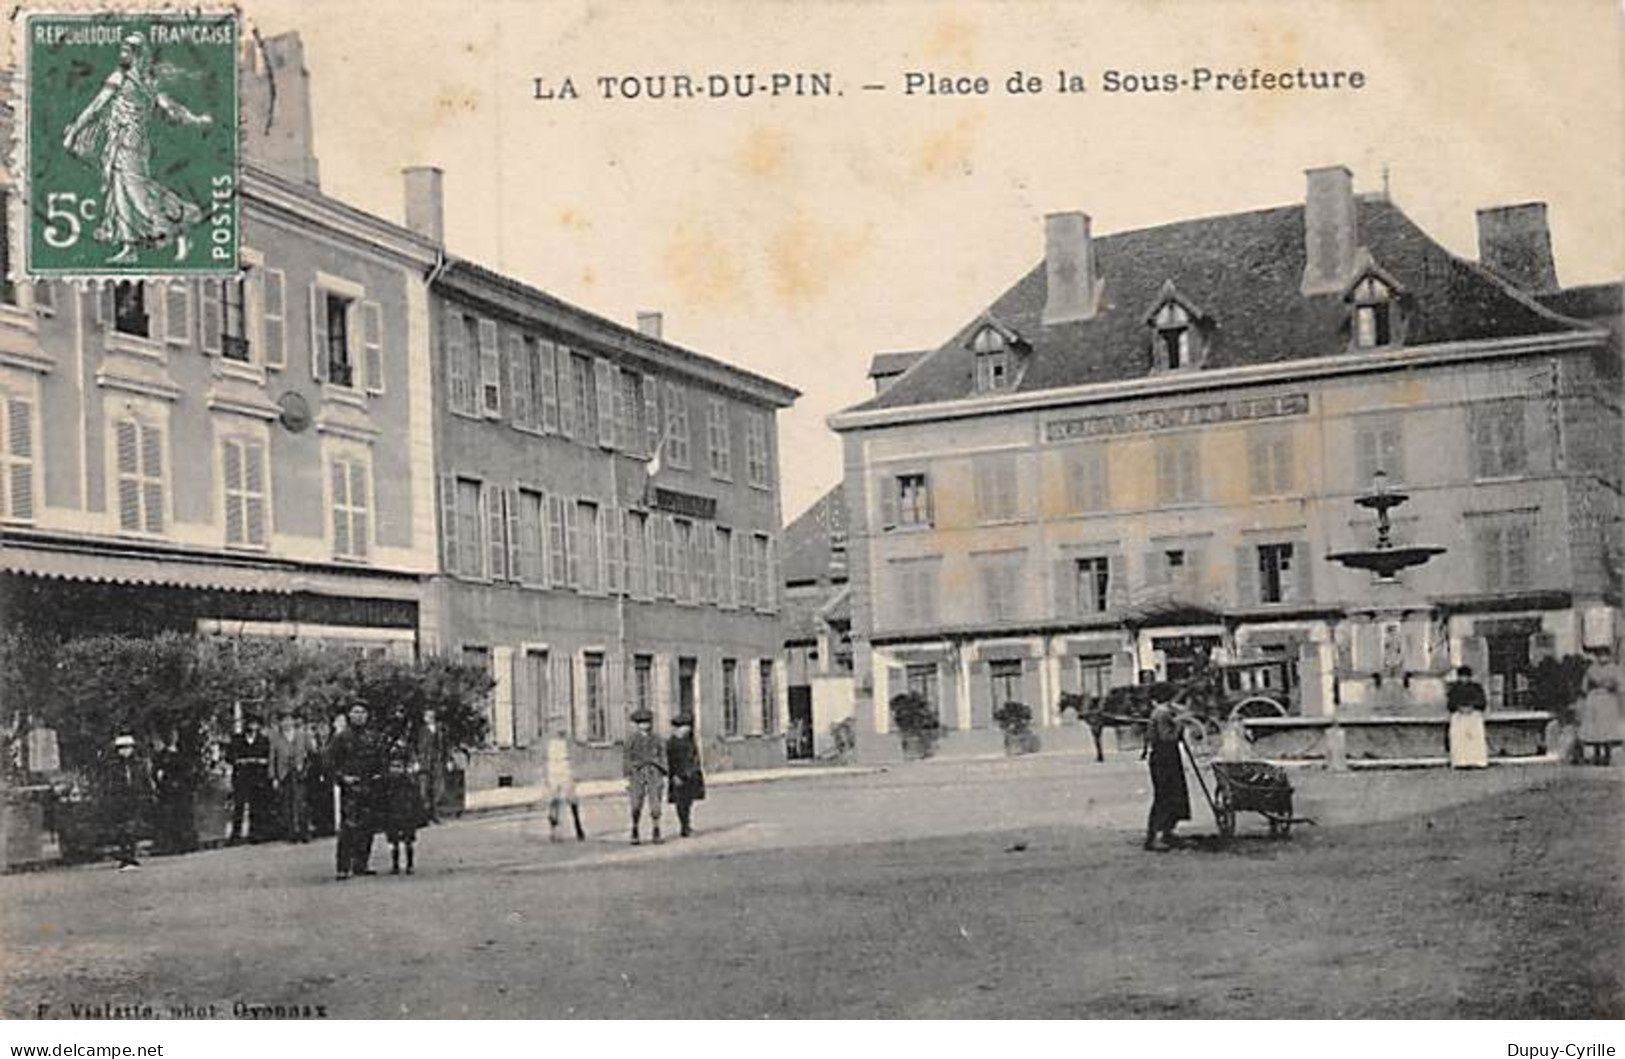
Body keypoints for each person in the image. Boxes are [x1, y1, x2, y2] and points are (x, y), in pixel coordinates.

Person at [60, 31, 212, 264]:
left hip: (129, 142)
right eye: (121, 50)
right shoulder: (145, 83)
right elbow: (172, 109)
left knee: (135, 191)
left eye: (126, 51)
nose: (122, 54)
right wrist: (196, 120)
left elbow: (96, 107)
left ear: (137, 55)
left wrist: (73, 131)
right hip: (122, 142)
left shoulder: (127, 80)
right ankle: (129, 248)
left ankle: (176, 222)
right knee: (120, 192)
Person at [328, 704, 384, 880]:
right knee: (348, 827)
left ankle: (361, 863)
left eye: (363, 712)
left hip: (369, 786)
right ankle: (343, 867)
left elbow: (380, 760)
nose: (359, 716)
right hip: (351, 788)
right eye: (356, 712)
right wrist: (343, 778)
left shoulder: (372, 737)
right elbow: (330, 762)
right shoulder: (341, 737)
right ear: (349, 715)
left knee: (367, 827)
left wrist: (378, 776)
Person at [1143, 700, 1194, 851]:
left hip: (1169, 757)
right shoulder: (1163, 713)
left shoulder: (1163, 711)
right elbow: (1167, 737)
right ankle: (1153, 837)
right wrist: (1180, 723)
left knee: (1174, 794)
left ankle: (1167, 832)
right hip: (1163, 757)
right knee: (1164, 796)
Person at [102, 734, 152, 870]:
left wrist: (147, 795)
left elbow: (144, 780)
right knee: (123, 828)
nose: (125, 751)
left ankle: (131, 854)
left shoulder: (138, 764)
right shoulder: (113, 767)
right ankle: (126, 855)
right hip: (120, 800)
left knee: (133, 827)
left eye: (128, 748)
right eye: (122, 748)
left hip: (135, 798)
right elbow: (108, 784)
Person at [381, 736, 425, 875]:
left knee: (408, 838)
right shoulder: (387, 783)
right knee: (392, 839)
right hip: (392, 812)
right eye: (393, 767)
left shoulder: (409, 783)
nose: (395, 770)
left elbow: (416, 798)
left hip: (406, 811)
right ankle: (395, 864)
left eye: (398, 767)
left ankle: (410, 864)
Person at [623, 708, 667, 845]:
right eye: (641, 723)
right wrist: (628, 774)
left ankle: (656, 829)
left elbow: (663, 755)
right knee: (636, 803)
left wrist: (663, 771)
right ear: (637, 725)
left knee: (655, 804)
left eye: (647, 722)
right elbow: (626, 758)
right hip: (637, 773)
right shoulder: (631, 740)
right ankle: (635, 829)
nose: (645, 725)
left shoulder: (657, 739)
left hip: (654, 771)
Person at [150, 729, 197, 855]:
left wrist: (185, 783)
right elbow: (156, 773)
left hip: (182, 791)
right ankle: (171, 845)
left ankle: (186, 843)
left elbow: (189, 772)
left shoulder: (183, 754)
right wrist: (163, 780)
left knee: (183, 816)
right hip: (168, 791)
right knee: (169, 818)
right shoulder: (161, 756)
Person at [226, 715, 272, 843]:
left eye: (255, 724)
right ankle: (236, 835)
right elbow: (230, 757)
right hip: (241, 777)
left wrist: (259, 762)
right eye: (250, 724)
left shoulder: (263, 740)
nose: (253, 727)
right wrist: (241, 761)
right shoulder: (237, 740)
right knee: (239, 806)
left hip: (257, 778)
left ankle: (255, 833)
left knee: (256, 806)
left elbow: (267, 757)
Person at [270, 711, 314, 843]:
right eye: (284, 721)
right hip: (284, 773)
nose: (287, 723)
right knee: (287, 804)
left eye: (289, 720)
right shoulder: (276, 738)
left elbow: (312, 753)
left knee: (301, 802)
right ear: (280, 723)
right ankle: (291, 833)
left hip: (300, 772)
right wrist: (274, 777)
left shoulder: (303, 735)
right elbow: (272, 758)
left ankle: (304, 831)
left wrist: (306, 767)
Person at [1579, 648, 1624, 766]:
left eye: (1604, 655)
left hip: (1609, 700)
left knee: (1607, 728)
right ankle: (1597, 753)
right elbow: (1584, 686)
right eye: (1599, 655)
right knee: (1595, 728)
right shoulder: (1592, 669)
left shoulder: (1615, 668)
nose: (1602, 658)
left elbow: (1621, 684)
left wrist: (1613, 687)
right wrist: (1591, 687)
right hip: (1595, 700)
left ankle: (1607, 754)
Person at [666, 714, 705, 838]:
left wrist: (696, 771)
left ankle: (686, 825)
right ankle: (684, 826)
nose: (687, 729)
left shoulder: (690, 741)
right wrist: (674, 776)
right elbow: (670, 761)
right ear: (677, 728)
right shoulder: (672, 743)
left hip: (690, 775)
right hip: (678, 776)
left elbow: (694, 758)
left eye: (687, 726)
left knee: (688, 802)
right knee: (680, 802)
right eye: (684, 727)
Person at [544, 729, 585, 843]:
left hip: (557, 771)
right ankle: (558, 830)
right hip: (558, 771)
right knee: (560, 801)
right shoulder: (554, 743)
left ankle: (575, 828)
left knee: (564, 800)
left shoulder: (560, 743)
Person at [1447, 665, 1490, 769]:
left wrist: (1472, 707)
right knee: (1459, 738)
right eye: (1461, 677)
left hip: (1474, 716)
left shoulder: (1476, 688)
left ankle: (1477, 761)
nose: (1464, 679)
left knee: (1474, 738)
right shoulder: (1454, 689)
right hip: (1459, 716)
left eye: (1466, 676)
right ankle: (1460, 762)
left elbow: (1482, 702)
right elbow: (1450, 704)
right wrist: (1459, 708)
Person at [415, 709, 446, 824]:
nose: (427, 718)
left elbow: (445, 746)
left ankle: (435, 814)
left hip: (437, 762)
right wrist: (416, 761)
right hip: (424, 763)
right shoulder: (420, 731)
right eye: (426, 716)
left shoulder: (440, 730)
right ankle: (424, 816)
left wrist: (448, 760)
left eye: (430, 716)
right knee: (423, 790)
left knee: (437, 789)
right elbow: (416, 747)